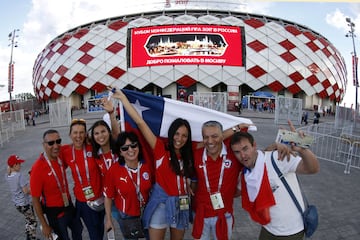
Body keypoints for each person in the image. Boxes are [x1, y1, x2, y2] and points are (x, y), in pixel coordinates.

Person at [110, 88, 196, 240]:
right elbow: (140, 122)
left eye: (184, 136)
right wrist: (123, 99)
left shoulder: (189, 152)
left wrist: (237, 127)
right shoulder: (160, 149)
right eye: (177, 134)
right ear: (171, 134)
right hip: (161, 203)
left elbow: (213, 140)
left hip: (181, 203)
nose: (179, 138)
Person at [230, 120, 320, 240]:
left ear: (254, 146)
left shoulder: (277, 158)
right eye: (237, 152)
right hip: (268, 229)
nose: (243, 155)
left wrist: (302, 149)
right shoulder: (246, 174)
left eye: (245, 149)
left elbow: (312, 169)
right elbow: (236, 192)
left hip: (291, 232)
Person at [191, 120, 243, 240]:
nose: (210, 141)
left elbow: (254, 158)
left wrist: (276, 146)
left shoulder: (234, 154)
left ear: (222, 136)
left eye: (214, 136)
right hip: (201, 215)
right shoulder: (196, 154)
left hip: (224, 216)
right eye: (206, 137)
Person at [30, 129, 83, 240]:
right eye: (50, 143)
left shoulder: (61, 153)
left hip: (68, 205)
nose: (55, 146)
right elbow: (35, 200)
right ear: (44, 145)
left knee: (78, 230)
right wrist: (44, 225)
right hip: (55, 213)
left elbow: (76, 143)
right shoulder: (37, 169)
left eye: (58, 141)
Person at [61, 119, 105, 240]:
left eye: (81, 132)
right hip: (84, 201)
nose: (78, 136)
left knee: (100, 228)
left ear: (86, 134)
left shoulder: (93, 147)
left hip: (101, 197)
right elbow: (52, 160)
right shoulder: (65, 151)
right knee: (93, 232)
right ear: (70, 135)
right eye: (75, 133)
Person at [104, 131, 153, 239]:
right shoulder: (113, 170)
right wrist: (108, 220)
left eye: (133, 145)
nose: (130, 150)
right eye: (125, 148)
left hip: (147, 211)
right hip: (127, 215)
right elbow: (108, 197)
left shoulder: (147, 165)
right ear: (120, 152)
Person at [6, 155, 38, 240]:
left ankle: (29, 236)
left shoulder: (8, 176)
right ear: (14, 165)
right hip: (25, 204)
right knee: (33, 222)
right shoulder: (19, 176)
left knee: (28, 220)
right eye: (19, 163)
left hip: (18, 205)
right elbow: (26, 191)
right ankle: (32, 238)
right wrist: (36, 192)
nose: (20, 165)